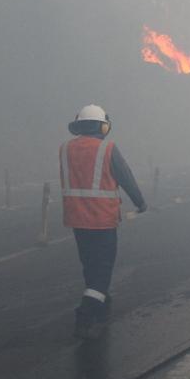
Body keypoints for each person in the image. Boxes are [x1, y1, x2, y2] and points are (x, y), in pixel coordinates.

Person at [60, 104, 146, 339]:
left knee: (90, 265)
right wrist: (140, 202)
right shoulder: (107, 148)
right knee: (102, 271)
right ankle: (86, 312)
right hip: (102, 220)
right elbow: (125, 176)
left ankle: (102, 304)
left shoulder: (65, 148)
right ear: (103, 126)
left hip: (77, 219)